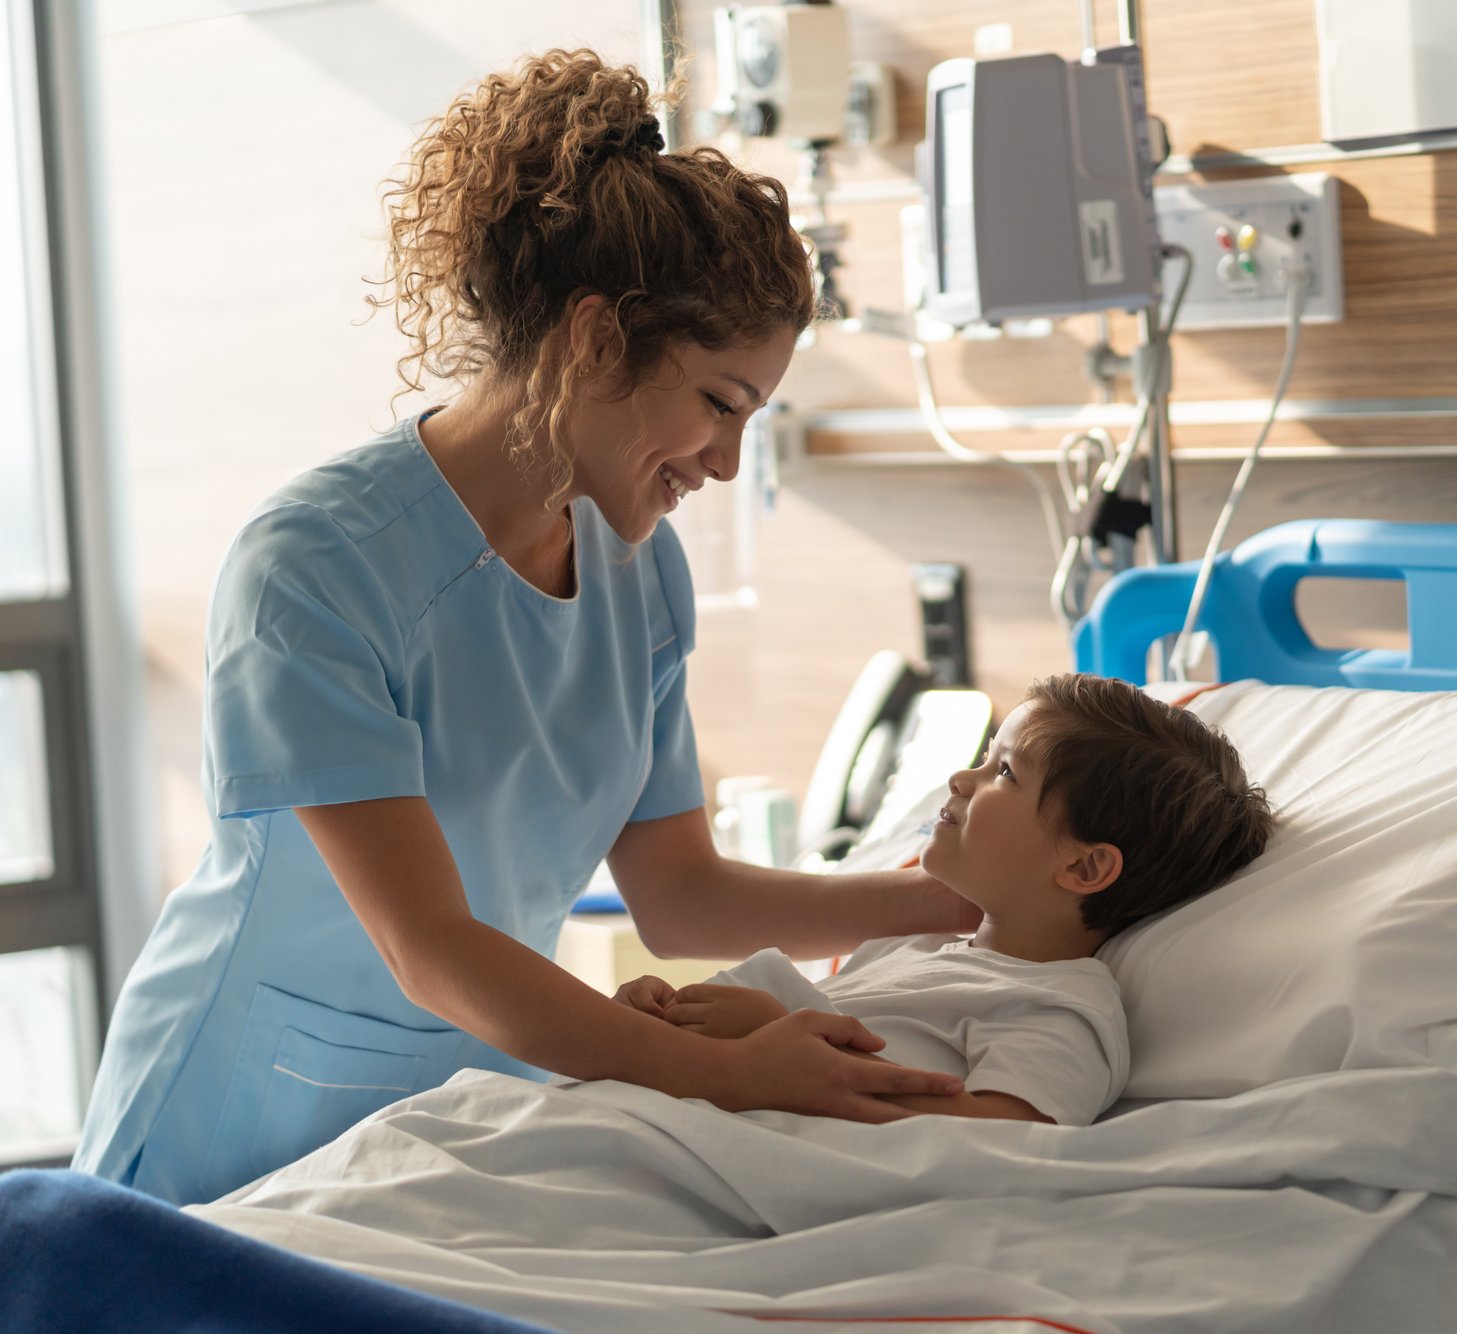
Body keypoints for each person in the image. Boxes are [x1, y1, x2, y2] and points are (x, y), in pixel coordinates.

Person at [73, 49, 979, 1209]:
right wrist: (720, 1074)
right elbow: (431, 942)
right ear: (596, 339)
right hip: (242, 1111)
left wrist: (949, 899)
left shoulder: (638, 576)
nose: (725, 459)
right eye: (716, 403)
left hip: (458, 1110)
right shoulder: (315, 566)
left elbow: (681, 893)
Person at [611, 674, 1277, 1126]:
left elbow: (1007, 1138)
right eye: (986, 758)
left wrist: (764, 1035)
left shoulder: (1057, 1005)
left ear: (1084, 864)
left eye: (1005, 772)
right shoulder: (909, 950)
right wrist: (659, 1025)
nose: (962, 777)